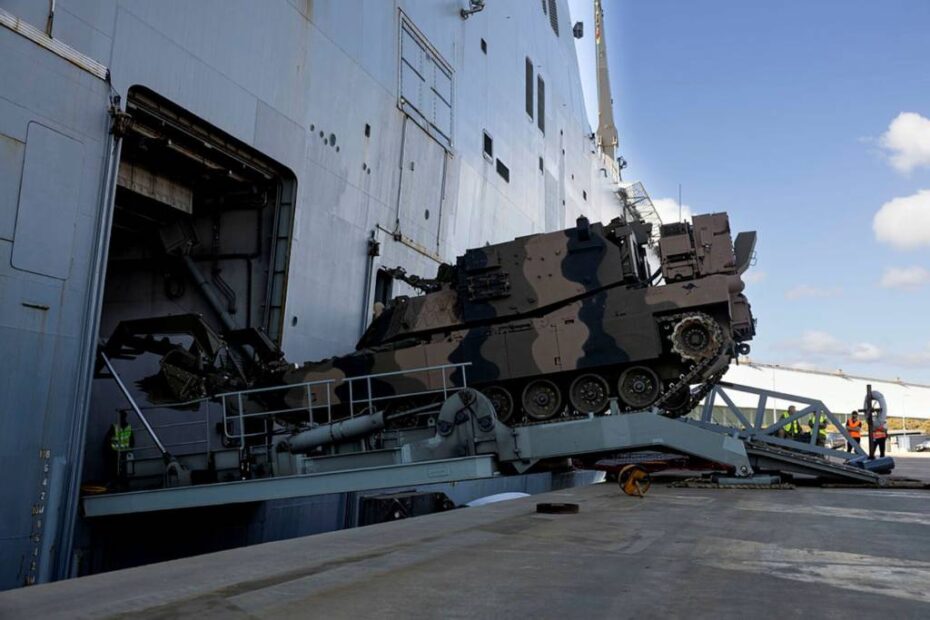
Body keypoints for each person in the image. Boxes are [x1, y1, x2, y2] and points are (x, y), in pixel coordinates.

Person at [104, 411, 134, 489]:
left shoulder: (116, 427)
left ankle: (120, 484)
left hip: (118, 452)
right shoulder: (125, 427)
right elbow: (132, 441)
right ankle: (121, 484)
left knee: (120, 470)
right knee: (120, 470)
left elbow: (107, 440)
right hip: (118, 452)